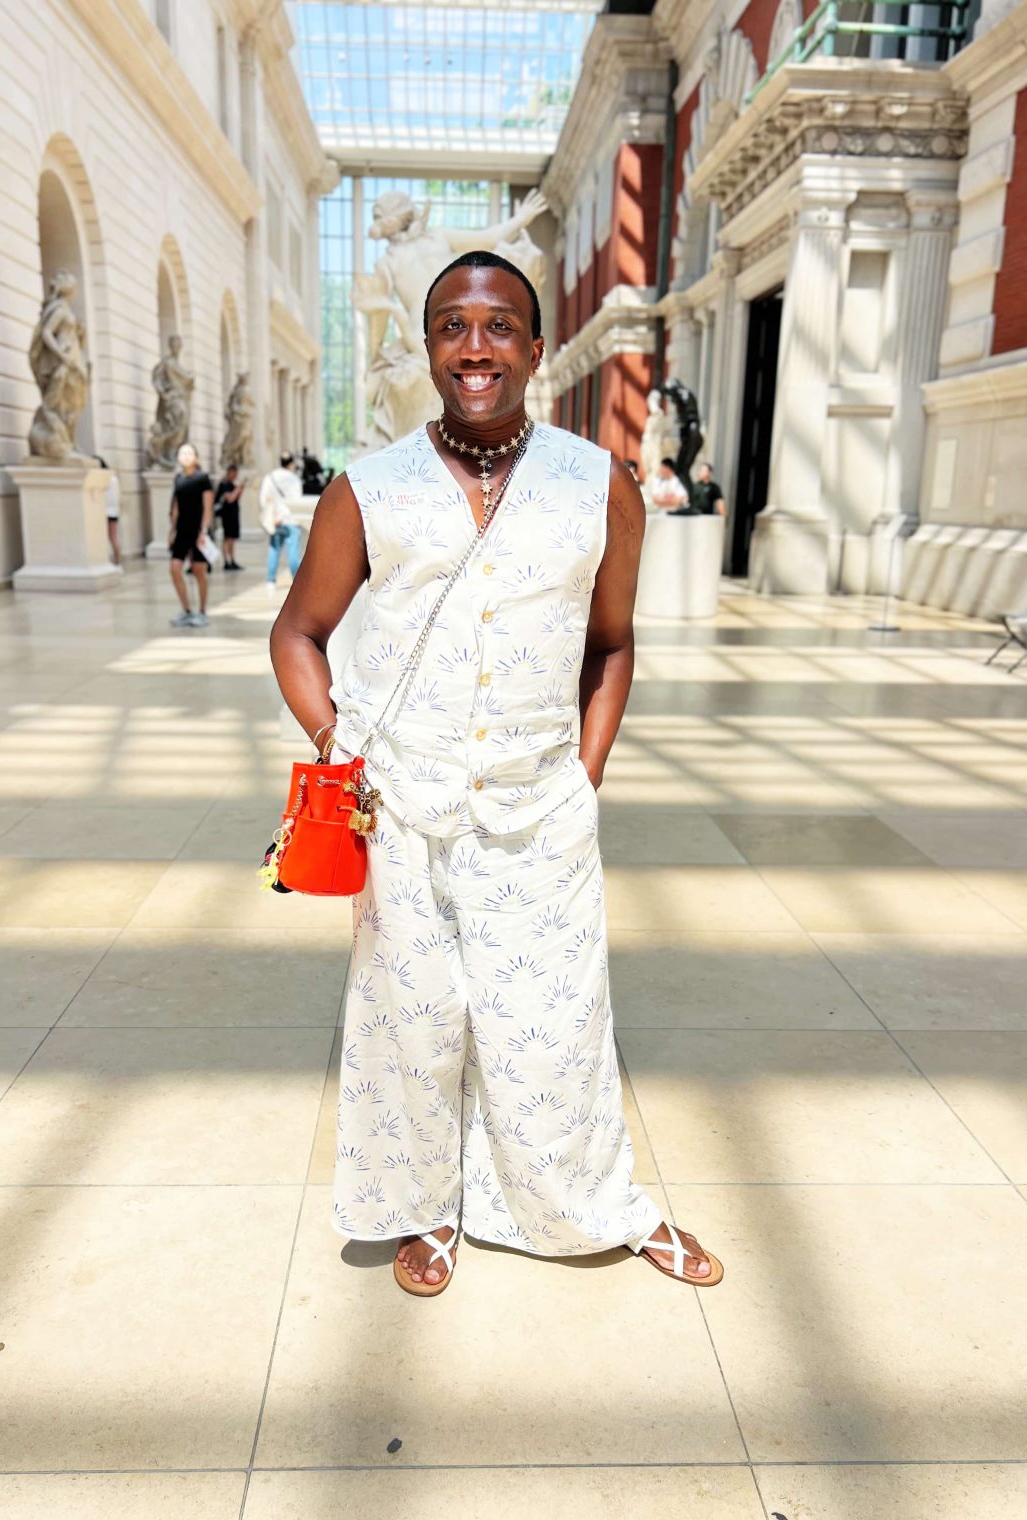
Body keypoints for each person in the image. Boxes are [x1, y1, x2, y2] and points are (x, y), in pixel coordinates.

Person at [270, 248, 722, 1297]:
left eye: (499, 325)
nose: (475, 346)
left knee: (555, 1022)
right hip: (407, 810)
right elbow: (300, 632)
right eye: (452, 327)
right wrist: (349, 751)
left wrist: (585, 774)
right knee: (416, 1019)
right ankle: (427, 1207)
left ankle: (596, 1200)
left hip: (541, 810)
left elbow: (611, 643)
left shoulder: (595, 483)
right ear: (429, 346)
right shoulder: (369, 489)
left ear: (533, 346)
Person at [168, 443, 214, 627]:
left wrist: (203, 531)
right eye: (182, 453)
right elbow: (176, 507)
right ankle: (186, 610)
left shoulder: (203, 478)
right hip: (181, 531)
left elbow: (208, 507)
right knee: (174, 568)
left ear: (196, 457)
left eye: (189, 453)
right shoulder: (178, 478)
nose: (185, 456)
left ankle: (202, 611)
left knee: (198, 571)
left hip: (198, 531)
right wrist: (171, 531)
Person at [260, 452, 305, 591]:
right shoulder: (294, 479)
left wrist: (273, 516)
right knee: (293, 552)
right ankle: (296, 581)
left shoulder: (270, 477)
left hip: (276, 520)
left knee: (274, 549)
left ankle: (271, 581)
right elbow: (296, 501)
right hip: (291, 519)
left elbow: (263, 498)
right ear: (291, 464)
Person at [214, 464, 244, 570]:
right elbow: (230, 498)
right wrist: (238, 488)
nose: (235, 475)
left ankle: (232, 560)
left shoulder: (231, 484)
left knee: (232, 539)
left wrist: (240, 490)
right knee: (227, 538)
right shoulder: (224, 484)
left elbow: (236, 499)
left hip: (233, 514)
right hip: (227, 515)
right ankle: (226, 561)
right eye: (234, 473)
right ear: (229, 472)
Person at [96, 456, 121, 566]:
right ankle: (118, 562)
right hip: (114, 511)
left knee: (106, 538)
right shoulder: (114, 478)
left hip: (105, 511)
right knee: (113, 538)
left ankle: (109, 561)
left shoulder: (103, 479)